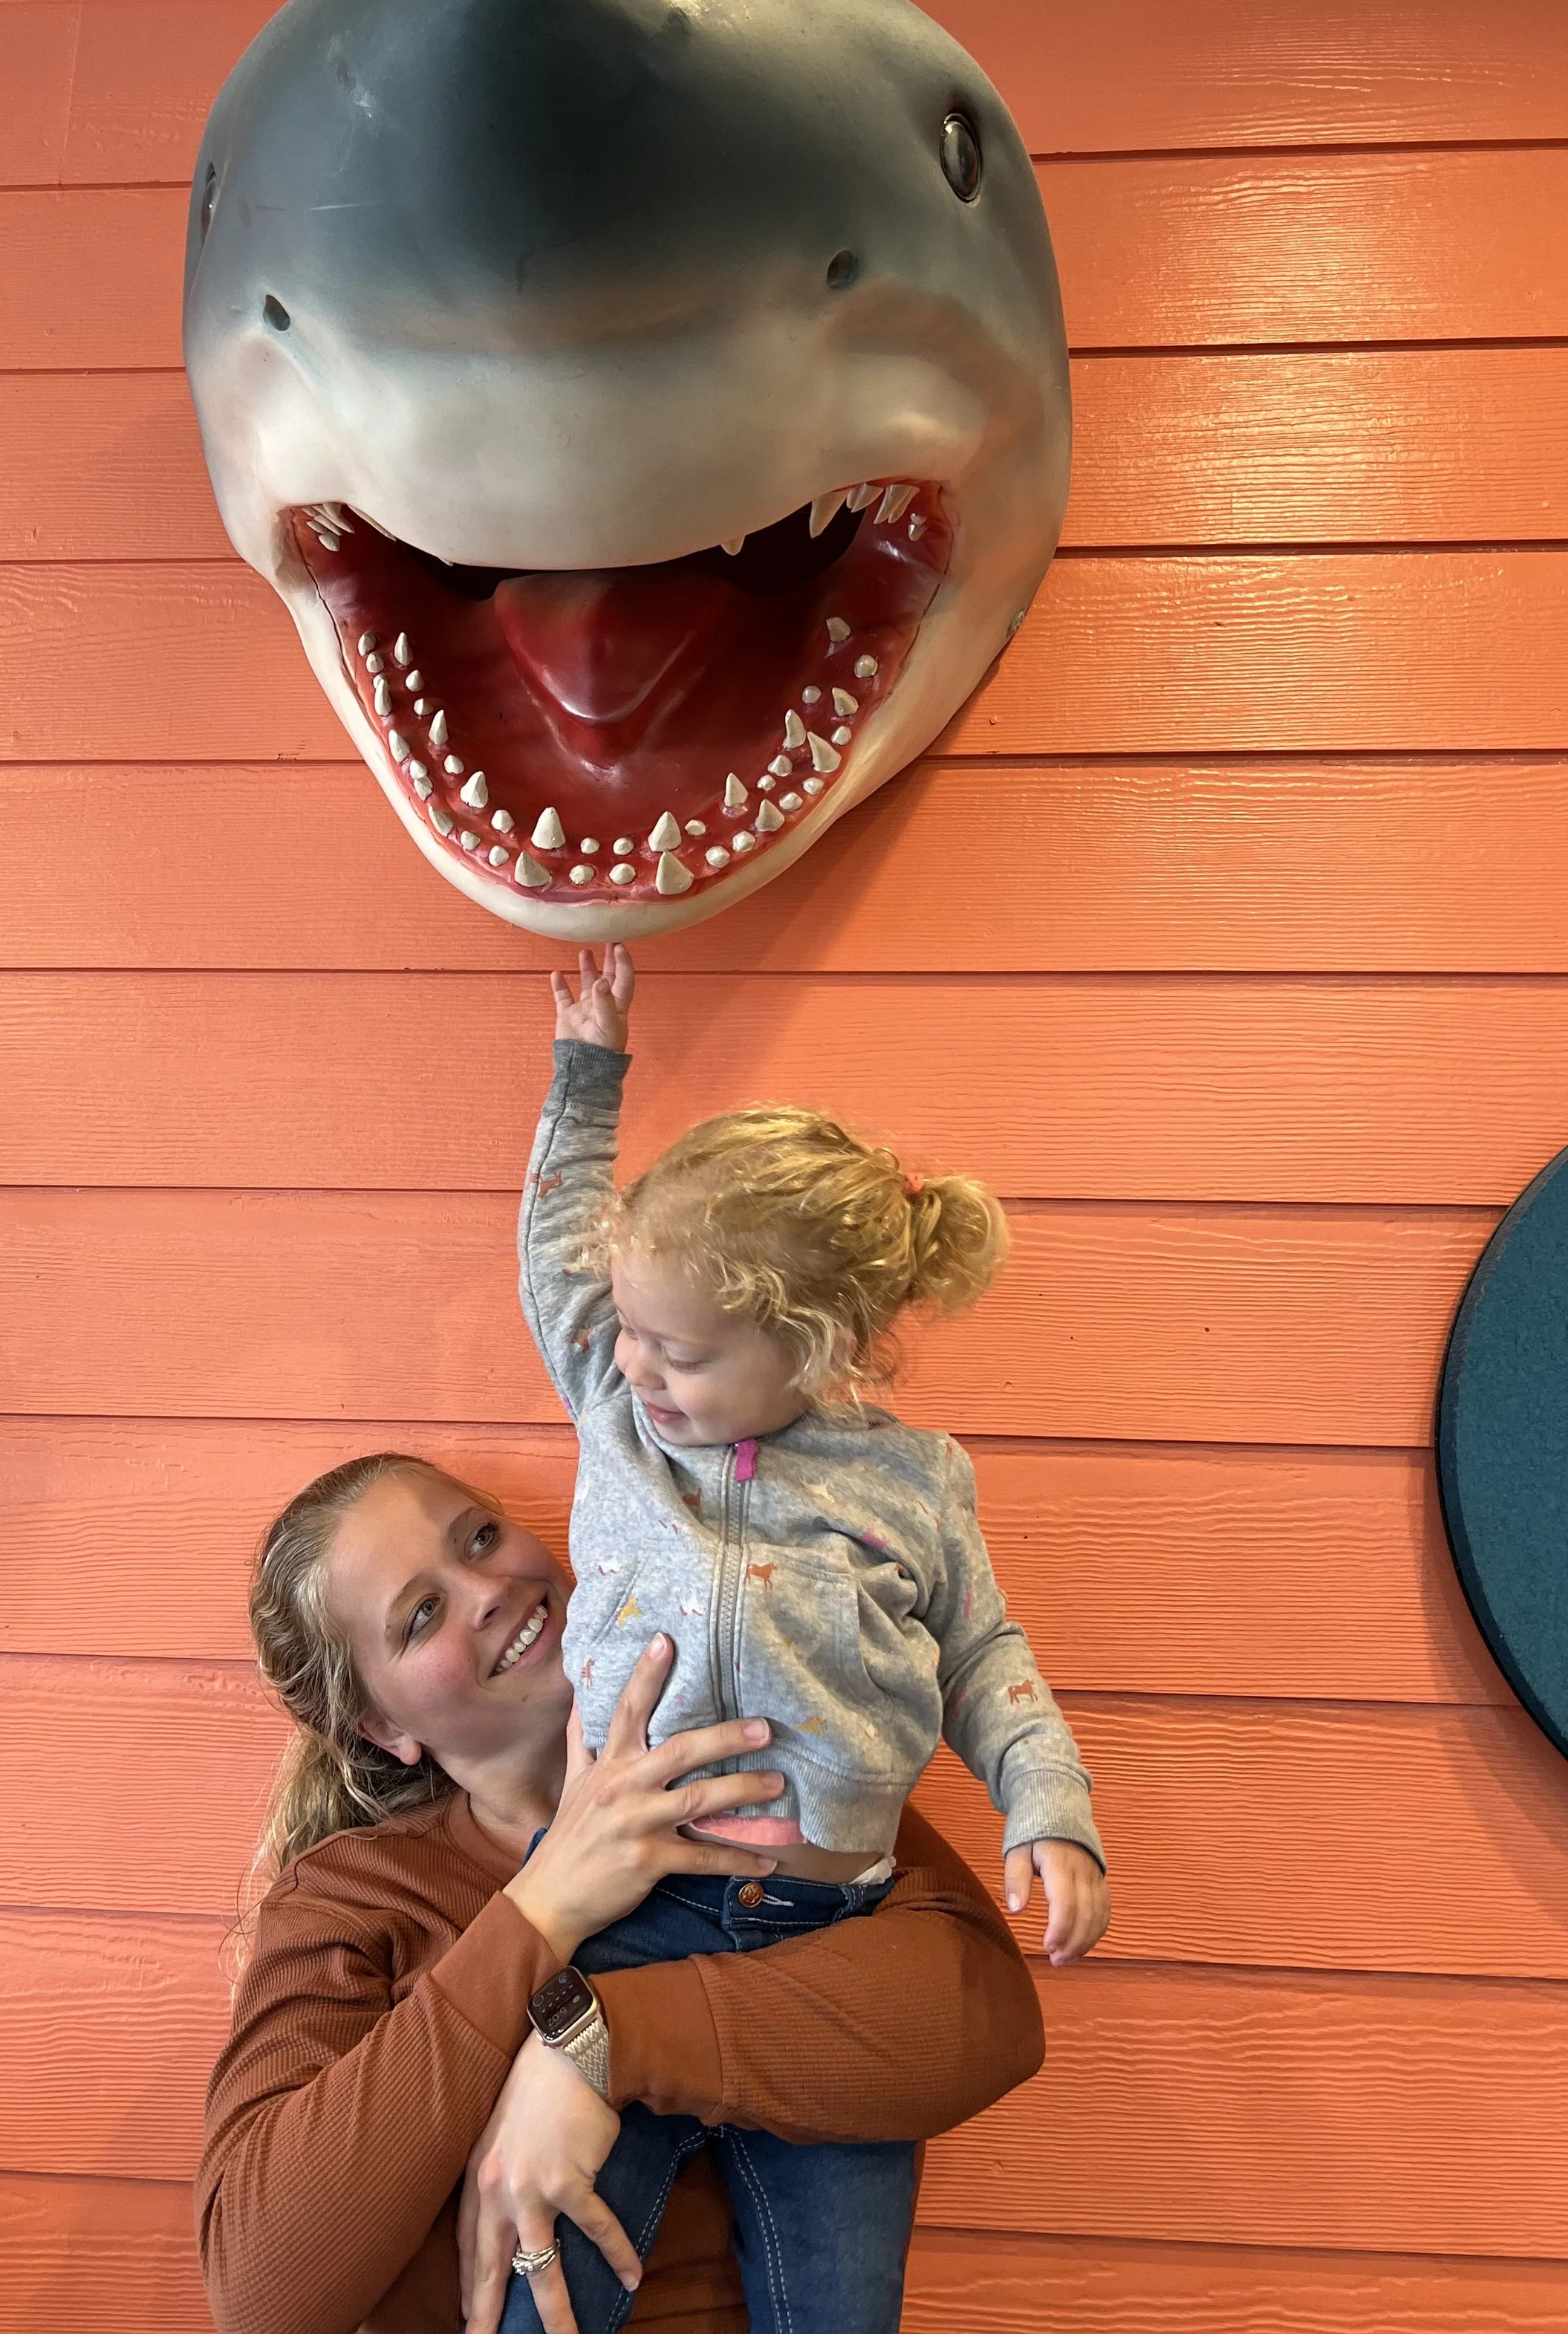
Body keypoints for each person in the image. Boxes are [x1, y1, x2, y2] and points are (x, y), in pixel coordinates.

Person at [505, 945, 1110, 2334]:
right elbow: (556, 1251)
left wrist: (1049, 1804)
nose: (640, 1366)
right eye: (633, 1333)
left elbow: (982, 1653)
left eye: (682, 1351)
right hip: (632, 1913)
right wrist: (586, 1075)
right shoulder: (616, 1408)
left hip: (834, 1943)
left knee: (839, 2307)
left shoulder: (910, 1483)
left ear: (818, 1347)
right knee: (553, 2281)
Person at [195, 1452, 1046, 2334]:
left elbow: (989, 2015)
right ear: (383, 1728)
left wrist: (602, 2044)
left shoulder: (755, 1763)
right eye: (421, 1614)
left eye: (479, 1538)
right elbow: (259, 2294)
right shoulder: (352, 1899)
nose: (487, 1590)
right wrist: (544, 1907)